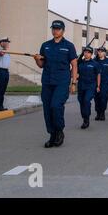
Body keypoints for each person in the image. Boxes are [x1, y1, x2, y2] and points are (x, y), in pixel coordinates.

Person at [34, 20, 78, 148]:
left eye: (58, 29)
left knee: (56, 106)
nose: (55, 31)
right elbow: (41, 65)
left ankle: (59, 131)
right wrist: (37, 60)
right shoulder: (45, 45)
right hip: (47, 81)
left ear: (63, 31)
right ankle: (52, 134)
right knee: (47, 108)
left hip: (62, 82)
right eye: (53, 28)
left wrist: (73, 82)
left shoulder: (69, 46)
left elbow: (74, 65)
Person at [77, 46, 101, 129]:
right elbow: (75, 73)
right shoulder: (80, 63)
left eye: (88, 52)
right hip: (81, 85)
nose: (86, 53)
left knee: (86, 100)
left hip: (91, 86)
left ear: (91, 54)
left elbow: (98, 75)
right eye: (85, 52)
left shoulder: (95, 64)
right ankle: (84, 116)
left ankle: (86, 119)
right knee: (81, 102)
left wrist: (98, 86)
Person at [94, 46, 108, 121]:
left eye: (101, 51)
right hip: (95, 83)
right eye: (98, 51)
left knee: (103, 98)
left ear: (105, 53)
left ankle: (102, 113)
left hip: (105, 83)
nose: (100, 52)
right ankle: (98, 113)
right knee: (97, 98)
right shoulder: (95, 60)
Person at [0, 37, 11, 112]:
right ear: (1, 42)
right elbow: (1, 54)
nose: (7, 43)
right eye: (6, 42)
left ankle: (0, 105)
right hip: (0, 71)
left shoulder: (7, 51)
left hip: (6, 71)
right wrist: (4, 49)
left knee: (3, 89)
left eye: (8, 42)